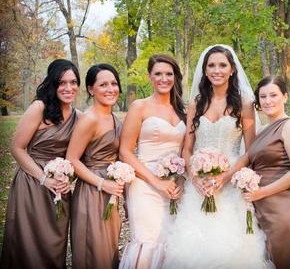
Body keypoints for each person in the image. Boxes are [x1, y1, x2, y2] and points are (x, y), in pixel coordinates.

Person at [163, 44, 271, 269]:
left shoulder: (243, 104)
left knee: (231, 245)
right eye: (211, 65)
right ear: (204, 70)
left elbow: (250, 150)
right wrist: (194, 177)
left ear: (232, 69)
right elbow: (187, 148)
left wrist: (226, 176)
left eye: (222, 65)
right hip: (199, 182)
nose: (216, 70)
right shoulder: (196, 102)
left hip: (230, 180)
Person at [1, 59, 80, 269]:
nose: (68, 88)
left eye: (73, 82)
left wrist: (68, 179)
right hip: (32, 183)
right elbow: (17, 149)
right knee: (29, 243)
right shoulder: (39, 108)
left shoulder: (78, 117)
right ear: (52, 84)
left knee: (54, 243)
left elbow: (75, 157)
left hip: (60, 188)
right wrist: (44, 179)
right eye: (62, 83)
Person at [229, 76, 290, 269]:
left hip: (284, 206)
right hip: (263, 205)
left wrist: (262, 192)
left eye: (273, 95)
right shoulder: (263, 129)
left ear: (285, 97)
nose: (268, 101)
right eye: (263, 96)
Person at [119, 54, 186, 269]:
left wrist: (181, 180)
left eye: (168, 74)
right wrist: (157, 182)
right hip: (145, 185)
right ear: (150, 77)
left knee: (170, 242)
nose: (163, 78)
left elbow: (186, 151)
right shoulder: (139, 106)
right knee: (148, 242)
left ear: (175, 77)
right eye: (158, 73)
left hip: (175, 187)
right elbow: (125, 152)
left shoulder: (183, 110)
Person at [66, 64, 123, 269]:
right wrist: (101, 183)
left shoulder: (116, 119)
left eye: (114, 83)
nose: (110, 89)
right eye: (103, 84)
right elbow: (72, 159)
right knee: (94, 252)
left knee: (108, 250)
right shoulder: (89, 119)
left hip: (111, 191)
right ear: (91, 89)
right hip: (91, 192)